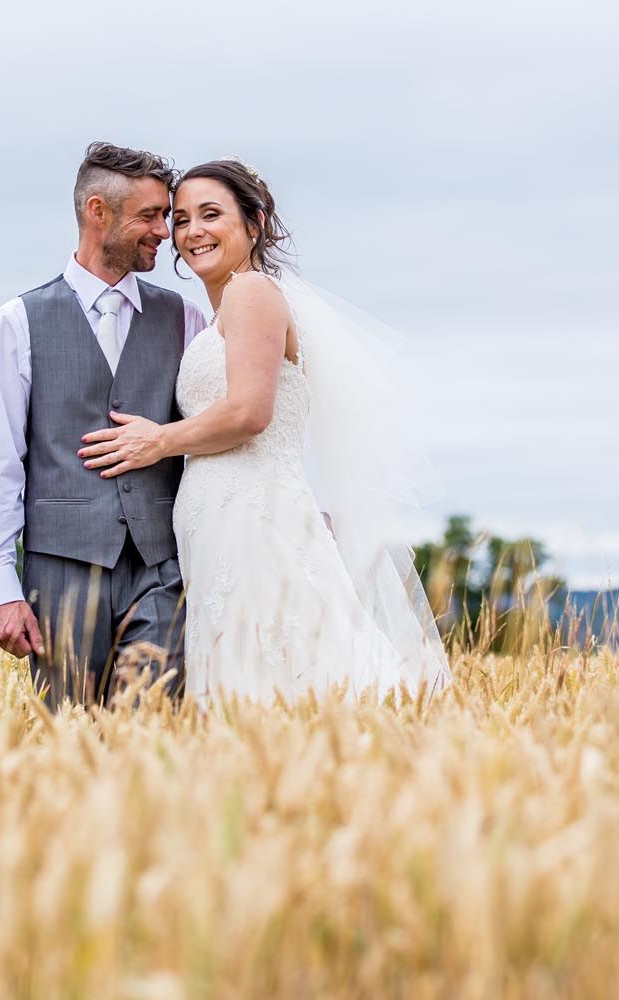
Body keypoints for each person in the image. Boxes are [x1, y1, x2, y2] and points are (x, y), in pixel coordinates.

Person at [79, 158, 451, 701]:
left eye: (211, 214)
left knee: (284, 681)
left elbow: (250, 413)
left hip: (254, 523)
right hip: (219, 527)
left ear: (252, 223)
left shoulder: (253, 294)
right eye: (180, 220)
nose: (191, 231)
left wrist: (154, 440)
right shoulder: (222, 313)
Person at [0, 142, 208, 708]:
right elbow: (0, 464)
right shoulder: (17, 322)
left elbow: (211, 434)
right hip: (60, 576)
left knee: (150, 735)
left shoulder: (186, 317)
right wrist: (1, 589)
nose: (164, 231)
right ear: (97, 212)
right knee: (68, 743)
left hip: (163, 568)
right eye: (150, 216)